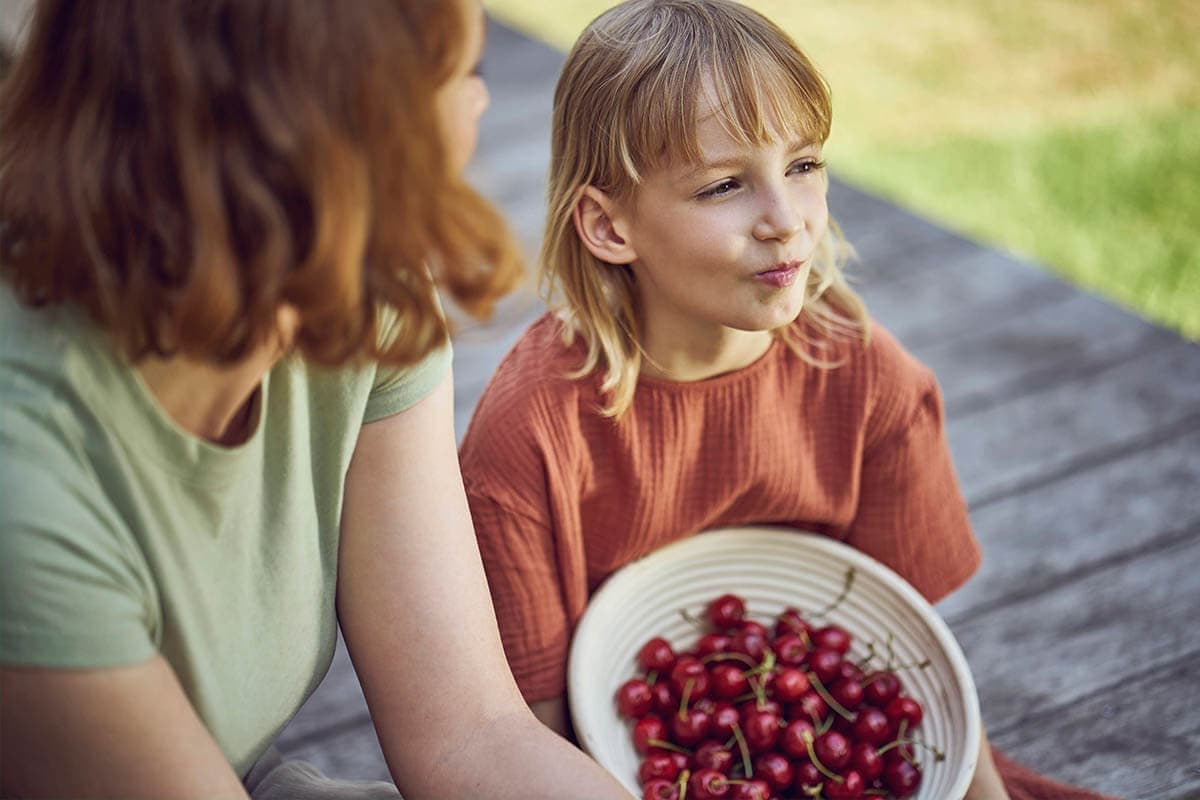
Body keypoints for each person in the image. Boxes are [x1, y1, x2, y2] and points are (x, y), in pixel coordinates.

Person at [457, 2, 1115, 799]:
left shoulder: (872, 386)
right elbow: (534, 729)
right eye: (726, 184)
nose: (785, 221)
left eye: (804, 165)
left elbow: (909, 658)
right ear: (608, 226)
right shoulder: (531, 438)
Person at [0, 1, 634, 798]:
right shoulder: (27, 488)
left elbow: (471, 732)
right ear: (331, 128)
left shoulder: (366, 295)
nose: (480, 103)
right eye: (459, 75)